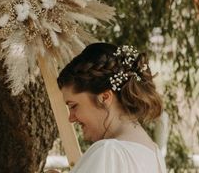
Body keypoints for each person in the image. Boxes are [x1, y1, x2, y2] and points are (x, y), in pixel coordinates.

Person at [55, 42, 167, 173]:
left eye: (73, 106)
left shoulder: (109, 152)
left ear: (105, 98)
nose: (71, 118)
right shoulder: (152, 153)